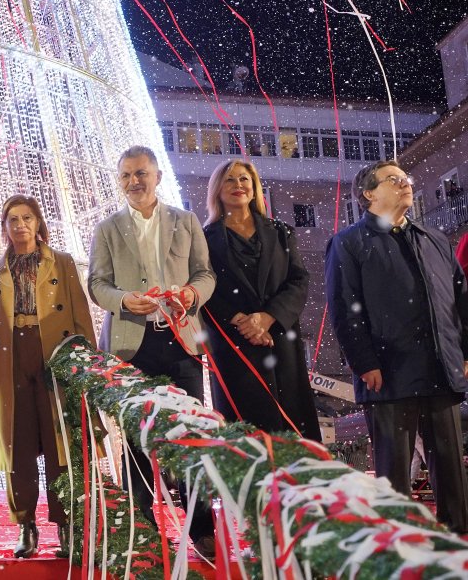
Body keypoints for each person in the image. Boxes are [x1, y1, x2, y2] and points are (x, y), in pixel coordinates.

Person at [87, 145, 217, 558]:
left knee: (189, 439)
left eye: (141, 173)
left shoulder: (186, 220)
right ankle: (139, 531)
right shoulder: (107, 228)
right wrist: (124, 300)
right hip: (131, 347)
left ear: (157, 176)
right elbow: (97, 284)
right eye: (126, 175)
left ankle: (201, 531)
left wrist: (192, 293)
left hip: (180, 343)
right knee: (136, 442)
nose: (134, 182)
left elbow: (205, 273)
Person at [327, 160, 468, 534]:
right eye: (394, 179)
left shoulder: (433, 238)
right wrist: (363, 362)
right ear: (369, 194)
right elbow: (344, 308)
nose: (405, 183)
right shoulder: (350, 243)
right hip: (386, 372)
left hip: (441, 364)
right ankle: (395, 543)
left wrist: (465, 353)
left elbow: (461, 301)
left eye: (405, 178)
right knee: (394, 472)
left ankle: (457, 538)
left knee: (451, 465)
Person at [0, 194, 96, 559]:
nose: (21, 225)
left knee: (59, 443)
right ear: (5, 227)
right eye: (13, 219)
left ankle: (65, 525)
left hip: (55, 356)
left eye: (27, 218)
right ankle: (25, 525)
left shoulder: (62, 262)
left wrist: (84, 364)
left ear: (39, 223)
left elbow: (79, 315)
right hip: (10, 356)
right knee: (18, 447)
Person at [201, 160, 320, 440]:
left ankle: (295, 483)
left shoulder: (281, 232)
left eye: (244, 179)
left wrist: (267, 318)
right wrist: (242, 321)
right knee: (245, 435)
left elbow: (299, 280)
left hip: (280, 340)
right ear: (217, 190)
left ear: (254, 189)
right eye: (229, 180)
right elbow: (205, 286)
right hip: (234, 345)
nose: (238, 185)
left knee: (292, 429)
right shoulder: (204, 239)